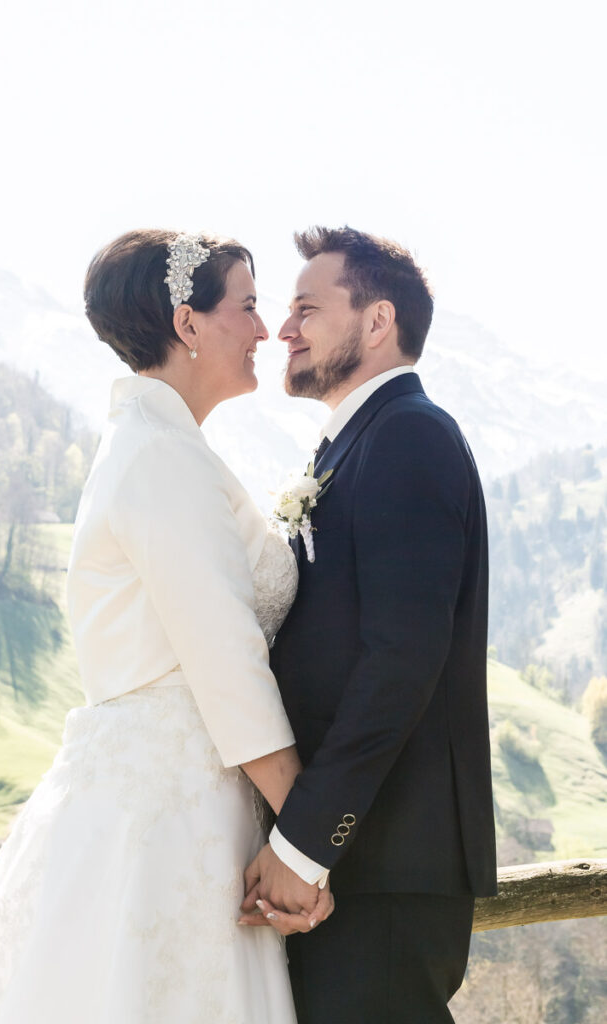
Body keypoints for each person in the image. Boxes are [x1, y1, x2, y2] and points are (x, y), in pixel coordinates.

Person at [0, 229, 332, 1024]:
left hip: (175, 804)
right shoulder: (158, 457)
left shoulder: (159, 446)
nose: (264, 330)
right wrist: (308, 845)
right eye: (247, 307)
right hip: (167, 823)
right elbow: (226, 665)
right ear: (187, 325)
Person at [240, 226, 497, 1022]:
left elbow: (400, 663)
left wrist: (305, 843)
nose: (283, 330)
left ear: (377, 321)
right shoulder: (356, 443)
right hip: (362, 863)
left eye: (305, 309)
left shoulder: (408, 437)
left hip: (385, 862)